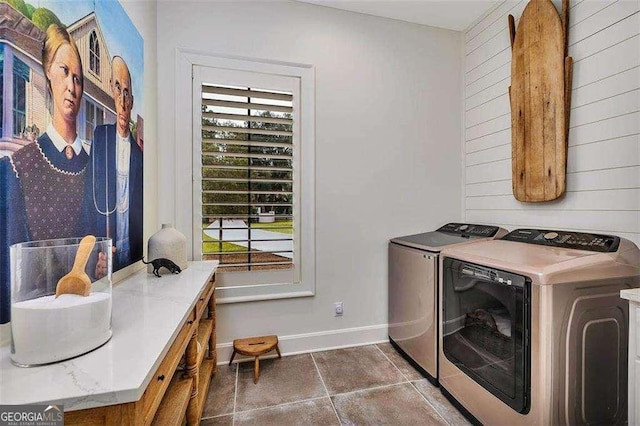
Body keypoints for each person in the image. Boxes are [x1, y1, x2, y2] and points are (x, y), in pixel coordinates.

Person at [0, 24, 86, 323]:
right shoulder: (18, 166)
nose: (72, 87)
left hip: (86, 307)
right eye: (64, 72)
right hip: (38, 320)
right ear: (48, 72)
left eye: (78, 78)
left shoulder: (95, 165)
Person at [83, 56, 143, 275]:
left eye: (127, 92)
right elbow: (89, 199)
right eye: (118, 89)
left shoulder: (139, 155)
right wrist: (95, 251)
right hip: (106, 252)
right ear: (111, 89)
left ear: (132, 101)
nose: (122, 100)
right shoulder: (101, 138)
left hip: (132, 253)